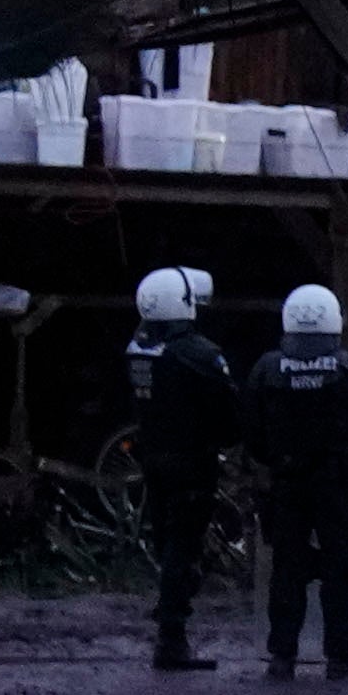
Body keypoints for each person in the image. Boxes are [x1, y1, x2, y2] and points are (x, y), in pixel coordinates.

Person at [244, 279, 348, 684]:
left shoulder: (266, 369)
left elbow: (253, 434)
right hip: (337, 489)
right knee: (340, 572)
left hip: (287, 487)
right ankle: (339, 660)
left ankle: (282, 657)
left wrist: (274, 466)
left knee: (287, 571)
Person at [125, 266, 241, 673]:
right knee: (183, 547)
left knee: (168, 544)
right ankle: (172, 637)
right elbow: (228, 413)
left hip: (154, 459)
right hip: (192, 463)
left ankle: (171, 624)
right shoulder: (198, 354)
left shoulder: (139, 347)